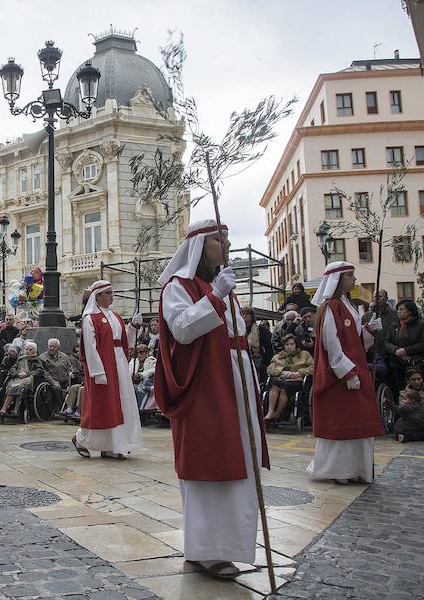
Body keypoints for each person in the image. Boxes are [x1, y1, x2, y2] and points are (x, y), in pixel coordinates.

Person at [155, 219, 269, 579]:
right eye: (221, 241)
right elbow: (183, 330)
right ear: (201, 246)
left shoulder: (222, 286)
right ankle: (206, 548)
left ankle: (228, 544)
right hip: (206, 384)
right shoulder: (179, 286)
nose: (228, 247)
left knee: (238, 460)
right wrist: (216, 297)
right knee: (211, 462)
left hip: (234, 378)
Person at [307, 261, 383, 485]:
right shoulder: (331, 307)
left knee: (358, 421)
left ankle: (356, 469)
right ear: (338, 279)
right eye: (350, 275)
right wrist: (347, 373)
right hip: (342, 376)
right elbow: (331, 342)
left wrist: (369, 331)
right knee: (343, 424)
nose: (354, 279)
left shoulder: (347, 304)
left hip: (355, 370)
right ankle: (339, 471)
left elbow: (355, 342)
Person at [73, 280, 144, 460]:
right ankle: (82, 439)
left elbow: (123, 339)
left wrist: (133, 328)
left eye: (112, 292)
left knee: (120, 403)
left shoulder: (116, 316)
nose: (112, 296)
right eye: (109, 293)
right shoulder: (91, 318)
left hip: (119, 363)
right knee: (103, 406)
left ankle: (113, 445)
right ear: (98, 296)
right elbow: (90, 347)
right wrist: (98, 372)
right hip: (104, 366)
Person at [383, 299, 424, 400]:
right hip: (397, 363)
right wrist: (395, 350)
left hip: (417, 362)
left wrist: (406, 350)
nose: (398, 312)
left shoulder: (422, 324)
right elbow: (387, 342)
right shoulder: (395, 324)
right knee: (400, 390)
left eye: (402, 309)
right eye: (397, 309)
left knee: (416, 391)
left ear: (410, 311)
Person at [264, 334, 313, 423]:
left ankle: (277, 413)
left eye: (291, 344)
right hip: (281, 379)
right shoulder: (278, 356)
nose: (289, 347)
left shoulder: (304, 354)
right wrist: (281, 371)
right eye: (287, 345)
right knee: (275, 385)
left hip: (297, 380)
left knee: (284, 388)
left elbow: (313, 368)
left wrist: (299, 372)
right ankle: (270, 412)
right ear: (283, 346)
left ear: (296, 344)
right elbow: (269, 369)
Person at [0, 341, 46, 420]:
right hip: (18, 377)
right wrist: (17, 374)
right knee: (11, 385)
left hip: (29, 378)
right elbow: (13, 368)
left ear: (35, 351)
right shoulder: (20, 359)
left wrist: (27, 374)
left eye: (30, 350)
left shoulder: (37, 360)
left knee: (16, 386)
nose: (28, 351)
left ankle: (5, 409)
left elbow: (40, 371)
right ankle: (12, 409)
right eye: (26, 349)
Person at [241, 306, 273, 377]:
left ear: (252, 316)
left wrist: (266, 362)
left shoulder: (259, 329)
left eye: (247, 314)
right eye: (243, 314)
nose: (245, 316)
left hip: (257, 358)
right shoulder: (239, 329)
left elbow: (268, 345)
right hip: (243, 357)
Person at [129, 344, 156, 411]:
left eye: (141, 352)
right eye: (137, 353)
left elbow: (152, 370)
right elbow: (129, 371)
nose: (139, 354)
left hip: (147, 383)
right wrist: (132, 375)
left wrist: (140, 375)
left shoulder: (153, 361)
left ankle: (142, 409)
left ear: (147, 352)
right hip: (133, 383)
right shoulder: (133, 361)